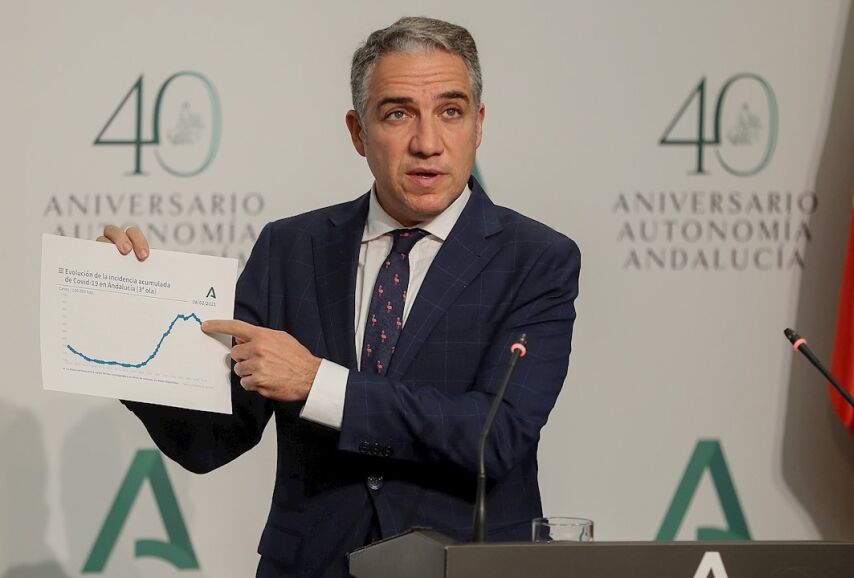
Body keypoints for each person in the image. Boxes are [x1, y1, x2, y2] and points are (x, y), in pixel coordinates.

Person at [99, 16, 580, 577]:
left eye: (451, 111)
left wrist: (318, 384)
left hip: (464, 567)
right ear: (357, 132)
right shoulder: (290, 248)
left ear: (479, 124)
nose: (427, 143)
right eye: (398, 114)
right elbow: (213, 440)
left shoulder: (536, 258)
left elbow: (494, 436)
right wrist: (132, 329)